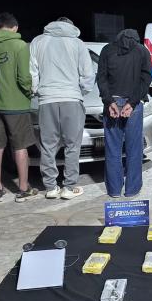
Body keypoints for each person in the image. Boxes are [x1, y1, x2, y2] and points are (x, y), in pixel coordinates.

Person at [30, 17, 95, 200]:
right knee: (72, 146)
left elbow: (32, 72)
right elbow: (88, 75)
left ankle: (51, 187)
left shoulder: (38, 41)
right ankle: (69, 187)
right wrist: (80, 91)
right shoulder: (78, 44)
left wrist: (37, 91)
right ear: (71, 26)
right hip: (71, 99)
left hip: (47, 100)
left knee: (48, 146)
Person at [0, 12, 38, 202]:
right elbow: (24, 77)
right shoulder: (20, 46)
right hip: (17, 104)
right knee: (20, 147)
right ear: (15, 28)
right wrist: (29, 92)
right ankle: (23, 189)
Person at [96, 29, 152, 198]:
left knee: (113, 149)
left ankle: (114, 190)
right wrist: (132, 103)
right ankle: (132, 189)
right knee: (134, 149)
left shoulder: (107, 50)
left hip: (112, 104)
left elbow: (101, 78)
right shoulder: (142, 51)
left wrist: (109, 102)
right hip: (133, 106)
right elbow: (145, 80)